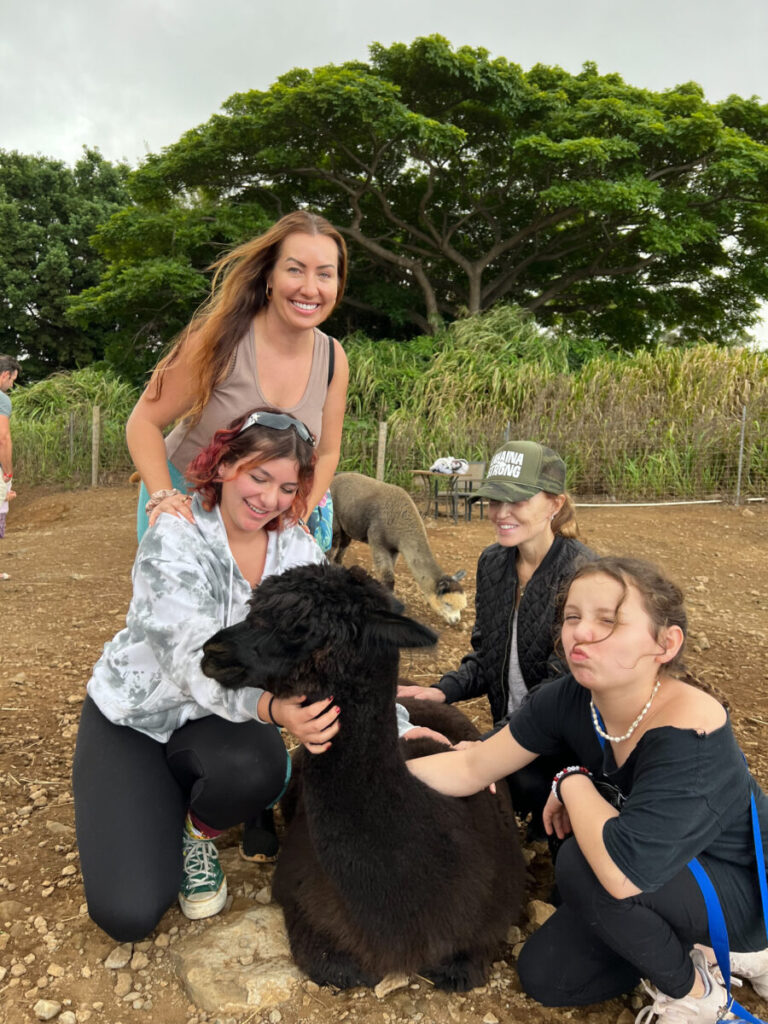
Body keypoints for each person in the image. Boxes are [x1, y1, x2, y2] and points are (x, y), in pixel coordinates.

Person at [408, 556, 768, 1023]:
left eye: (608, 621)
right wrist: (376, 781)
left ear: (665, 643)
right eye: (573, 617)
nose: (580, 632)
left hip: (738, 895)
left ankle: (699, 992)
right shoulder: (572, 698)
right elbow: (475, 764)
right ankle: (683, 946)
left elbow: (620, 872)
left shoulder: (691, 732)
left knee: (586, 862)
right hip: (652, 875)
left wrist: (572, 782)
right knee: (548, 977)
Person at [72, 409, 339, 941]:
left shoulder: (299, 551)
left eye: (287, 487)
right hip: (136, 717)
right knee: (127, 913)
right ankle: (152, 798)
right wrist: (270, 708)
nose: (269, 499)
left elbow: (335, 654)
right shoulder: (177, 531)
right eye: (258, 477)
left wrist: (399, 723)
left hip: (219, 727)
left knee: (258, 765)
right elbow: (193, 656)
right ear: (222, 465)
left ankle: (199, 831)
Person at [398, 440, 595, 836]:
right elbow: (486, 654)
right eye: (493, 500)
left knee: (503, 784)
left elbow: (562, 689)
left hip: (565, 742)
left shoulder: (583, 574)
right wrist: (442, 691)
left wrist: (490, 746)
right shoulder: (494, 562)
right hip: (514, 730)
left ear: (554, 504)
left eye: (517, 500)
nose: (501, 513)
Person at [125, 210, 349, 549]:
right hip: (188, 507)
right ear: (269, 276)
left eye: (325, 275)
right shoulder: (217, 338)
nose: (310, 288)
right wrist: (162, 496)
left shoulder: (334, 358)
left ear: (338, 284)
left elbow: (328, 452)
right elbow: (143, 421)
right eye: (295, 270)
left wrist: (296, 516)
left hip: (267, 515)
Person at [0, 355, 20, 578]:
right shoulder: (2, 400)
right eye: (12, 380)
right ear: (5, 375)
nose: (11, 385)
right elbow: (3, 438)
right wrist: (7, 471)